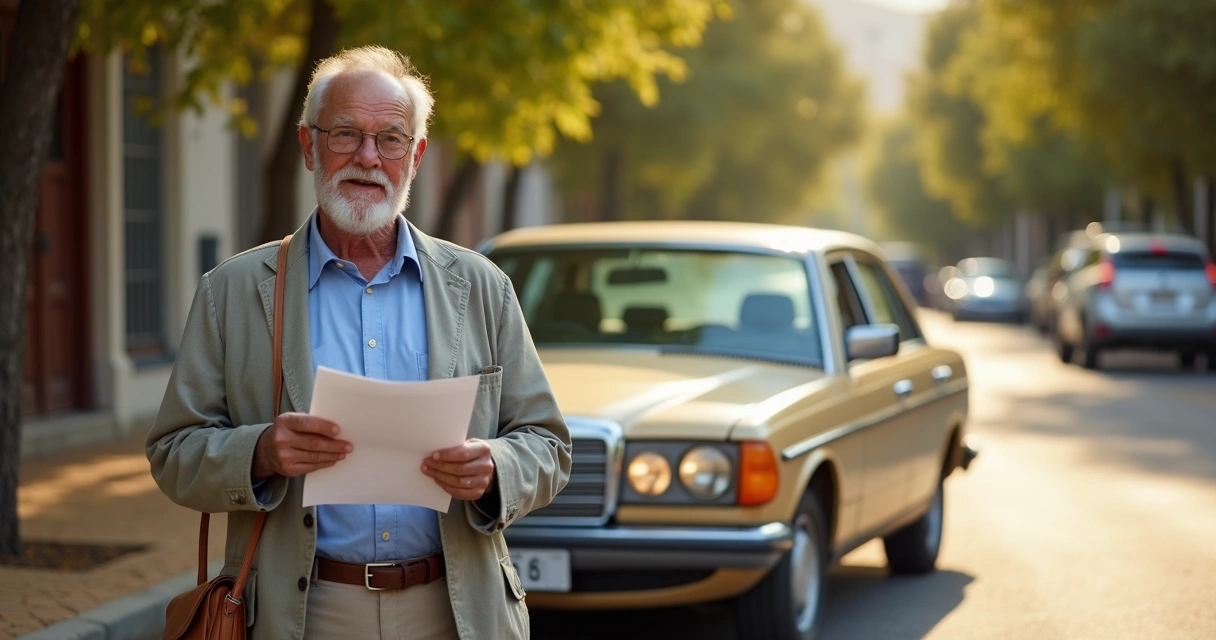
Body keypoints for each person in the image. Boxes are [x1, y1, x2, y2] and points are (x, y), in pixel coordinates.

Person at [147, 45, 571, 640]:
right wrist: (261, 452)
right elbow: (173, 453)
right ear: (308, 146)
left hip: (456, 613)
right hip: (302, 614)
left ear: (415, 156)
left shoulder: (482, 287)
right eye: (345, 133)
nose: (368, 157)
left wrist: (495, 467)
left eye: (390, 139)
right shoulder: (232, 292)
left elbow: (548, 446)